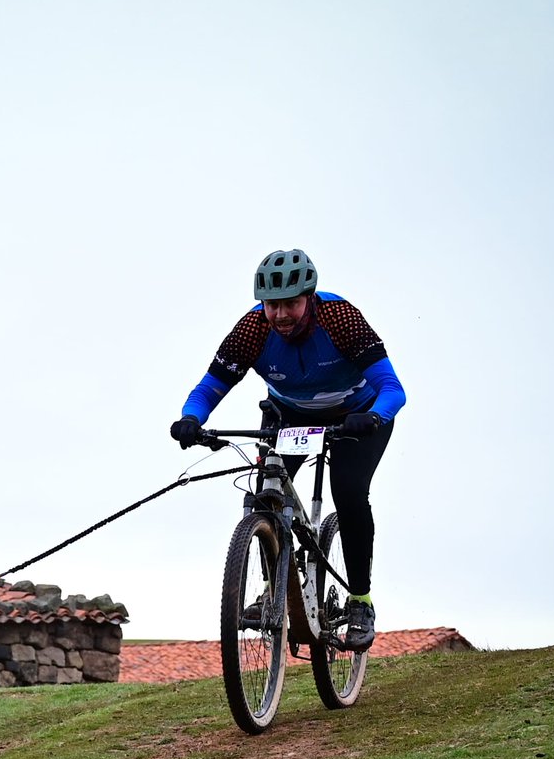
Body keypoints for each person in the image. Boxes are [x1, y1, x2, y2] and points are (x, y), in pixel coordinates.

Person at [169, 248, 406, 651]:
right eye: (272, 305)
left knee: (348, 493)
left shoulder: (341, 320)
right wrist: (191, 418)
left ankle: (360, 600)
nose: (280, 315)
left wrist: (375, 417)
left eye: (290, 304)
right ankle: (272, 590)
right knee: (266, 497)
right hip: (289, 416)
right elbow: (209, 388)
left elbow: (393, 389)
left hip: (356, 416)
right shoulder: (251, 330)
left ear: (309, 297)